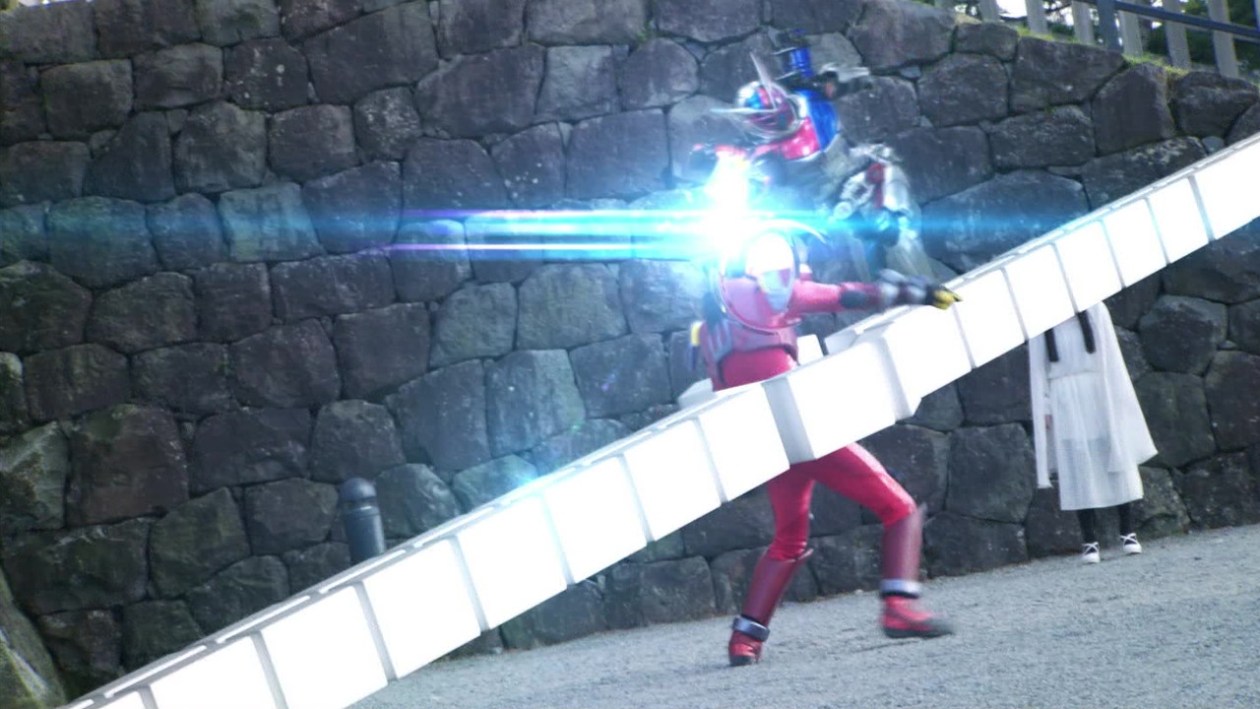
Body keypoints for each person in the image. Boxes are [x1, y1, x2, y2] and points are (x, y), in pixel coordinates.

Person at [690, 224, 960, 667]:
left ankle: (745, 639)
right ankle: (900, 607)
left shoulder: (708, 326)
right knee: (900, 508)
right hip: (800, 430)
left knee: (789, 538)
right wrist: (918, 292)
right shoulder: (770, 296)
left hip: (762, 438)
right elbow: (845, 295)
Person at [1029, 303, 1158, 564]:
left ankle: (1127, 531)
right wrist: (1044, 405)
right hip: (1064, 395)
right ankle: (1089, 540)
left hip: (1098, 390)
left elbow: (1111, 357)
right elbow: (1038, 369)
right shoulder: (1040, 318)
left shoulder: (1095, 310)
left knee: (1113, 454)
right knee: (1077, 465)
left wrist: (1116, 395)